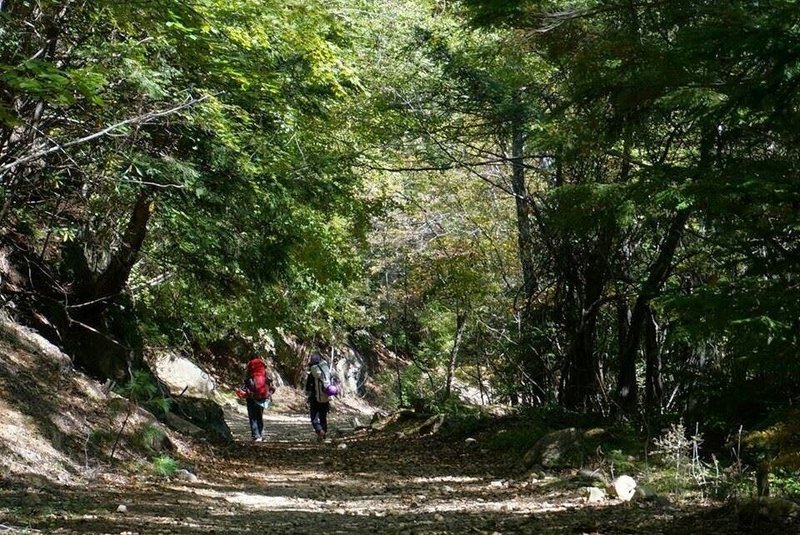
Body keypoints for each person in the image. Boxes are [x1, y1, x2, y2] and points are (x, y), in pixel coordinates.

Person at [241, 355, 275, 442]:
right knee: (259, 416)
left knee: (253, 417)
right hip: (262, 398)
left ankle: (256, 435)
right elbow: (271, 387)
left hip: (252, 398)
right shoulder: (264, 373)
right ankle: (261, 434)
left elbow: (245, 387)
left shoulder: (250, 371)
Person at [305, 352, 334, 442]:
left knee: (314, 417)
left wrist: (307, 396)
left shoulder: (312, 374)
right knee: (323, 416)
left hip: (314, 398)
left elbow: (307, 387)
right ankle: (323, 434)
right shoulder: (326, 371)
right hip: (325, 397)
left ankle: (320, 431)